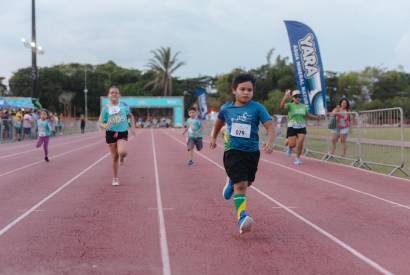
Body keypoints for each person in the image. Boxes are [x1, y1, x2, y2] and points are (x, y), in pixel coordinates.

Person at [210, 73, 275, 234]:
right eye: (242, 89)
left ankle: (231, 182)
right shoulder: (227, 108)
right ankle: (242, 217)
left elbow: (270, 126)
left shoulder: (257, 108)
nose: (246, 92)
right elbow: (218, 123)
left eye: (250, 90)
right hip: (233, 151)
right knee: (242, 185)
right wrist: (213, 137)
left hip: (252, 152)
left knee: (248, 182)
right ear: (234, 90)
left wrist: (270, 141)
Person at [99, 86, 136, 186]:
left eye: (116, 92)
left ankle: (122, 157)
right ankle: (115, 178)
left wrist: (132, 127)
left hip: (122, 132)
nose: (114, 94)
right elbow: (100, 122)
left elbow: (131, 116)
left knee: (122, 152)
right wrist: (105, 125)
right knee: (114, 157)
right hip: (110, 133)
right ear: (108, 95)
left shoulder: (124, 105)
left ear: (119, 95)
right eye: (112, 93)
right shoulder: (105, 108)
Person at [280, 89, 320, 165]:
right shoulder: (290, 105)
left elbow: (308, 116)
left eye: (299, 96)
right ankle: (290, 147)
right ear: (293, 98)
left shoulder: (303, 106)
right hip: (292, 127)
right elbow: (281, 106)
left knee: (301, 142)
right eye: (296, 96)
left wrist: (316, 117)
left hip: (301, 127)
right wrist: (285, 97)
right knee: (293, 144)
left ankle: (297, 158)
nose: (298, 98)